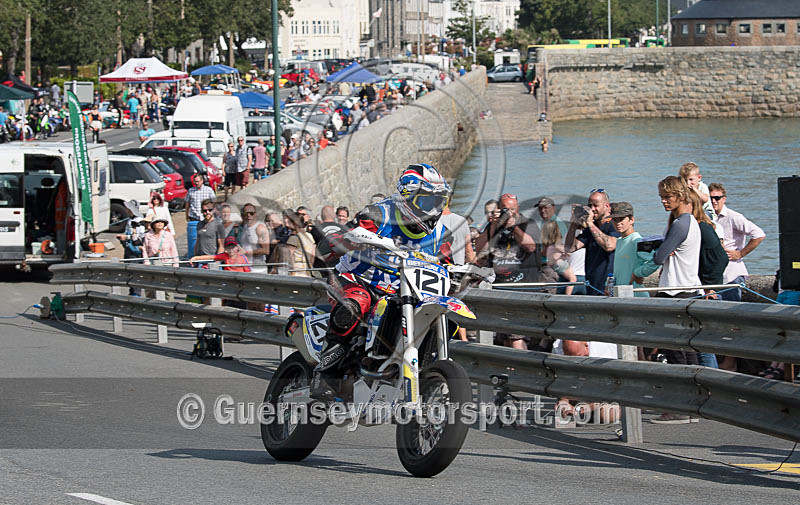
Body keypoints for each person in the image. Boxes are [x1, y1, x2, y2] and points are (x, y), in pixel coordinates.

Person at [310, 163, 453, 400]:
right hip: (357, 279)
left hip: (403, 290)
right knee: (354, 305)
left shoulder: (441, 234)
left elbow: (446, 263)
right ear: (409, 196)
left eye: (439, 201)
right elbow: (346, 236)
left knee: (439, 315)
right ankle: (324, 372)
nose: (434, 208)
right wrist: (350, 239)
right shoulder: (379, 214)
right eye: (427, 201)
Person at [474, 193, 538, 350]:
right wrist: (495, 225)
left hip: (522, 289)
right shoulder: (494, 226)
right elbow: (479, 248)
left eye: (512, 209)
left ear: (518, 209)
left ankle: (521, 370)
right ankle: (509, 369)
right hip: (499, 290)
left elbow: (531, 246)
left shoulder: (527, 223)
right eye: (505, 209)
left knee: (517, 337)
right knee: (506, 339)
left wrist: (513, 226)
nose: (508, 212)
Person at [708, 182, 765, 302]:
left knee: (729, 310)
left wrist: (740, 253)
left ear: (724, 199)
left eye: (717, 198)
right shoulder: (708, 217)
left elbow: (759, 234)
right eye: (710, 198)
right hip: (714, 276)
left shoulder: (733, 217)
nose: (714, 201)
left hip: (731, 274)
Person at [565, 190, 620, 295]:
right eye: (590, 206)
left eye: (596, 205)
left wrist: (589, 223)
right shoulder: (590, 229)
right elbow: (569, 248)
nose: (592, 209)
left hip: (609, 286)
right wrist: (573, 224)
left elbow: (609, 246)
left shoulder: (614, 224)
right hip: (592, 286)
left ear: (607, 206)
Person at [609, 202, 658, 297]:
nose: (618, 223)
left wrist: (638, 273)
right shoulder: (619, 241)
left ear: (631, 220)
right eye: (615, 220)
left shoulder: (637, 240)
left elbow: (656, 260)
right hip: (621, 294)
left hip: (637, 295)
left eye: (622, 219)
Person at [541, 221, 577, 296]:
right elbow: (568, 251)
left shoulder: (545, 245)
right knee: (573, 279)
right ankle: (567, 296)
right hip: (559, 264)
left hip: (550, 265)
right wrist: (566, 254)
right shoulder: (557, 244)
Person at [184, 173, 216, 258]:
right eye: (195, 182)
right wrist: (186, 214)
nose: (196, 183)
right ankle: (194, 255)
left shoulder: (208, 190)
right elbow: (187, 203)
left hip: (206, 216)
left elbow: (214, 202)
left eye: (198, 181)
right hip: (194, 217)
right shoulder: (191, 190)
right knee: (195, 238)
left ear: (202, 181)